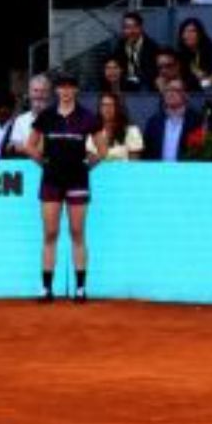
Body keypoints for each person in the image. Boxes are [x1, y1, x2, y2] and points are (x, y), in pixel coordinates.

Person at [28, 72, 100, 303]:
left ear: (76, 90)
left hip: (78, 180)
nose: (66, 91)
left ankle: (80, 289)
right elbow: (30, 146)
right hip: (51, 180)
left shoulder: (88, 117)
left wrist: (88, 165)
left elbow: (103, 148)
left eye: (70, 87)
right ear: (56, 91)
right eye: (62, 87)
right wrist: (44, 163)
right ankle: (46, 289)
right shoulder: (46, 116)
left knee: (77, 233)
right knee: (50, 233)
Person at [143, 81, 202, 162]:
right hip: (158, 172)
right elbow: (147, 152)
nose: (170, 93)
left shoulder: (196, 121)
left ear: (185, 95)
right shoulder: (154, 122)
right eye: (167, 90)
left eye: (176, 90)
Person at [90, 93, 144, 162]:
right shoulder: (93, 130)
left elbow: (134, 163)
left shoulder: (132, 131)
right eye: (103, 105)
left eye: (111, 105)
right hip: (100, 171)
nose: (107, 108)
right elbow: (90, 160)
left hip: (123, 171)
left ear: (118, 108)